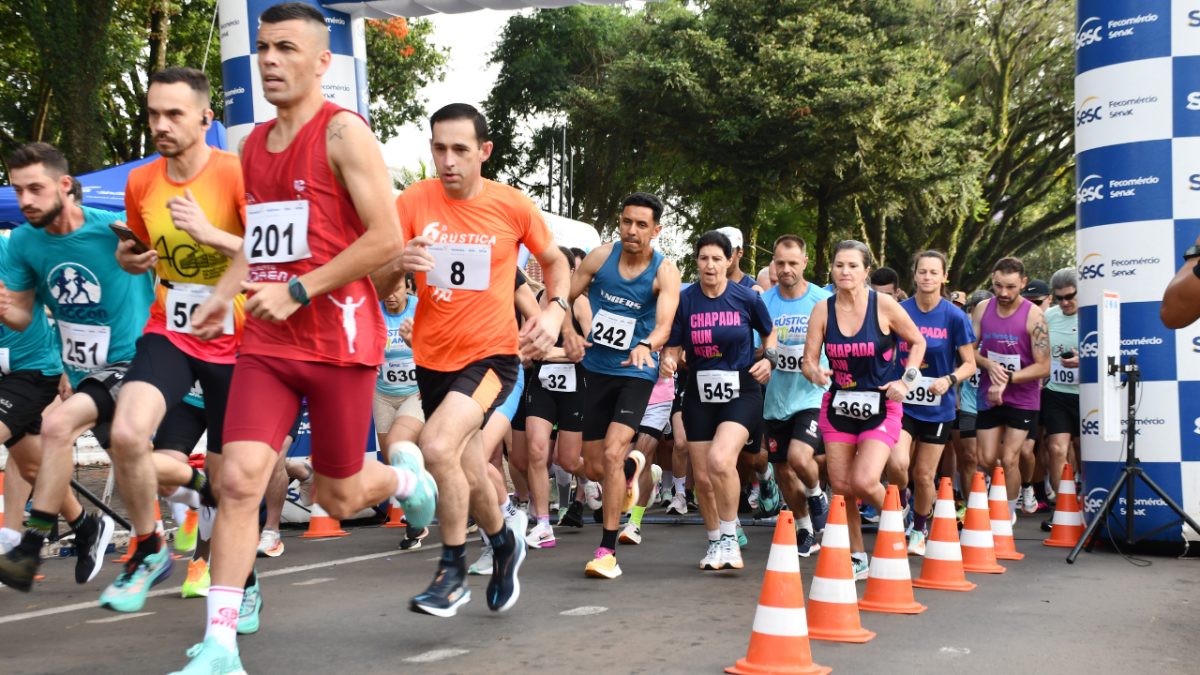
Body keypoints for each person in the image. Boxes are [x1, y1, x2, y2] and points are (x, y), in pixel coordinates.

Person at [170, 5, 439, 671]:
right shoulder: (252, 146)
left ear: (322, 62)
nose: (269, 59)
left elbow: (387, 238)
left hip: (338, 340)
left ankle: (404, 480)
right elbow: (262, 243)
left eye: (286, 48)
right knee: (238, 479)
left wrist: (298, 290)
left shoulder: (344, 133)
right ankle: (220, 644)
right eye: (263, 47)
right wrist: (223, 294)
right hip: (267, 344)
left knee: (336, 494)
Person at [394, 100, 570, 615]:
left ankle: (451, 572)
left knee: (436, 445)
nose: (448, 161)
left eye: (460, 149)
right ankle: (503, 542)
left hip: (492, 358)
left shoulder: (511, 205)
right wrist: (397, 263)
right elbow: (383, 282)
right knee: (468, 466)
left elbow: (554, 262)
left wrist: (555, 311)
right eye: (439, 149)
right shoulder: (412, 201)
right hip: (432, 360)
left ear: (484, 151)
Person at [103, 66, 250, 613]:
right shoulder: (142, 181)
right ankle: (149, 548)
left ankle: (242, 581)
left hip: (240, 343)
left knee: (228, 484)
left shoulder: (236, 174)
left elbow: (271, 254)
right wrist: (128, 257)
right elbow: (138, 249)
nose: (160, 125)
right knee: (126, 434)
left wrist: (211, 235)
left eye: (174, 114)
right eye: (153, 114)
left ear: (206, 118)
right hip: (172, 329)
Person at [0, 142, 155, 593]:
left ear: (65, 185)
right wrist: (6, 309)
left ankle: (29, 545)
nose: (25, 200)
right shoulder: (23, 242)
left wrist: (141, 259)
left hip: (135, 359)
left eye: (35, 188)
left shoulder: (114, 229)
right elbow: (22, 317)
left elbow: (164, 268)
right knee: (143, 467)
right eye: (18, 190)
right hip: (85, 373)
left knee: (57, 428)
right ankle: (188, 498)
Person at [565, 192, 681, 580]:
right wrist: (568, 331)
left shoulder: (665, 271)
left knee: (613, 453)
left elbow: (664, 325)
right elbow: (563, 297)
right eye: (626, 222)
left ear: (656, 230)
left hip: (636, 371)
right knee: (596, 466)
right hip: (595, 369)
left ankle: (607, 552)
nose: (632, 230)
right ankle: (632, 469)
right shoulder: (600, 257)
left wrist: (647, 344)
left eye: (641, 225)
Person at [802, 240, 925, 580]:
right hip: (839, 406)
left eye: (853, 265)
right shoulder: (823, 310)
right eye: (839, 265)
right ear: (832, 269)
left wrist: (907, 381)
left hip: (881, 405)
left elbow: (918, 342)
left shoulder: (883, 305)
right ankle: (858, 557)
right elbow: (808, 361)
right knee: (842, 487)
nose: (845, 271)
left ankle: (896, 520)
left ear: (866, 271)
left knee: (864, 480)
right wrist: (815, 373)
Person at [662, 230, 775, 570]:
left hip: (741, 388)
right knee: (704, 476)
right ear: (696, 262)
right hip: (699, 389)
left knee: (721, 460)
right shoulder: (685, 300)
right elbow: (673, 347)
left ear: (729, 260)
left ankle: (730, 538)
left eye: (716, 258)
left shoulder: (747, 298)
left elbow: (768, 333)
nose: (709, 265)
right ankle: (715, 543)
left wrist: (768, 359)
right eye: (703, 258)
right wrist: (669, 361)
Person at [891, 251, 976, 556]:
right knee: (897, 464)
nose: (927, 277)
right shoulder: (899, 311)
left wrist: (950, 379)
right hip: (902, 402)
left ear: (944, 277)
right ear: (914, 274)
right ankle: (902, 500)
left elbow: (969, 364)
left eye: (934, 272)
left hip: (938, 406)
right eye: (922, 271)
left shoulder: (954, 316)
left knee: (924, 475)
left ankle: (918, 529)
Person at [759, 235, 831, 557]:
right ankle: (805, 529)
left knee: (799, 458)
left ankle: (817, 496)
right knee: (784, 472)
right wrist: (766, 357)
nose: (786, 269)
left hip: (813, 395)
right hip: (776, 400)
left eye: (792, 263)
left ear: (804, 262)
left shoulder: (823, 300)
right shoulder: (764, 303)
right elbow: (756, 347)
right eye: (780, 263)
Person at [972, 256, 1051, 522]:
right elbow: (969, 351)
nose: (1003, 292)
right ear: (992, 281)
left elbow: (1044, 366)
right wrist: (987, 364)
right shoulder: (982, 309)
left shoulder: (1034, 315)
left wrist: (1008, 377)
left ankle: (1006, 514)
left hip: (1023, 398)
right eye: (998, 286)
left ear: (1023, 283)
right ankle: (1005, 489)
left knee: (1009, 458)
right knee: (985, 459)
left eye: (1011, 287)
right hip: (989, 394)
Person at [523, 247, 593, 538]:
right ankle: (543, 524)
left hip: (576, 387)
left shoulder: (580, 304)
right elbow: (526, 347)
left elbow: (592, 350)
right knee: (537, 452)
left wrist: (554, 353)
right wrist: (529, 355)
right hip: (541, 384)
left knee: (567, 460)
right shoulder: (534, 301)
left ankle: (590, 479)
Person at [1040, 267, 1080, 529]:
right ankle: (1063, 509)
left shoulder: (1092, 314)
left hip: (1088, 395)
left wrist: (1084, 361)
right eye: (1059, 297)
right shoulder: (1049, 316)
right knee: (1056, 449)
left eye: (1070, 296)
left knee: (1083, 450)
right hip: (1056, 392)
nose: (1065, 302)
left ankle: (1088, 504)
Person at [950, 290, 992, 518]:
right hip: (968, 404)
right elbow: (958, 365)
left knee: (991, 458)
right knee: (968, 457)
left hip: (995, 405)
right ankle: (969, 507)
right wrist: (954, 391)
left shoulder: (999, 332)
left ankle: (998, 499)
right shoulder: (963, 332)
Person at [715, 226, 763, 292]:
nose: (722, 256)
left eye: (728, 251)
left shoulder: (753, 291)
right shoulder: (704, 287)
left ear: (740, 252)